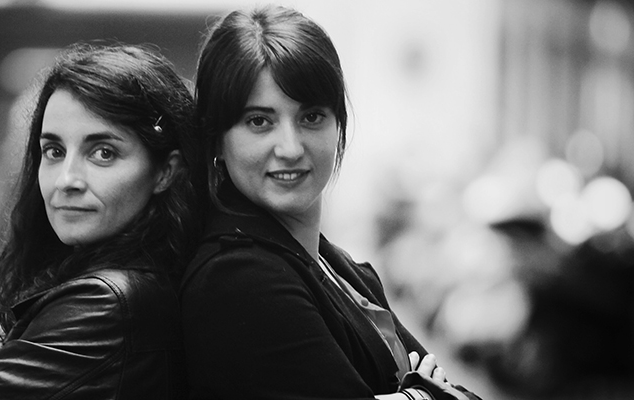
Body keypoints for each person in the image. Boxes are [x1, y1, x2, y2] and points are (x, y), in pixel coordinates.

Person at [180, 6, 481, 400]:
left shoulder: (336, 265)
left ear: (338, 124)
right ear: (217, 139)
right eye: (259, 121)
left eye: (311, 117)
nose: (290, 148)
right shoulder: (239, 279)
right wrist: (421, 394)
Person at [0, 42, 195, 399]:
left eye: (103, 153)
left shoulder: (107, 304)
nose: (66, 180)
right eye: (54, 151)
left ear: (165, 172)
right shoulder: (153, 279)